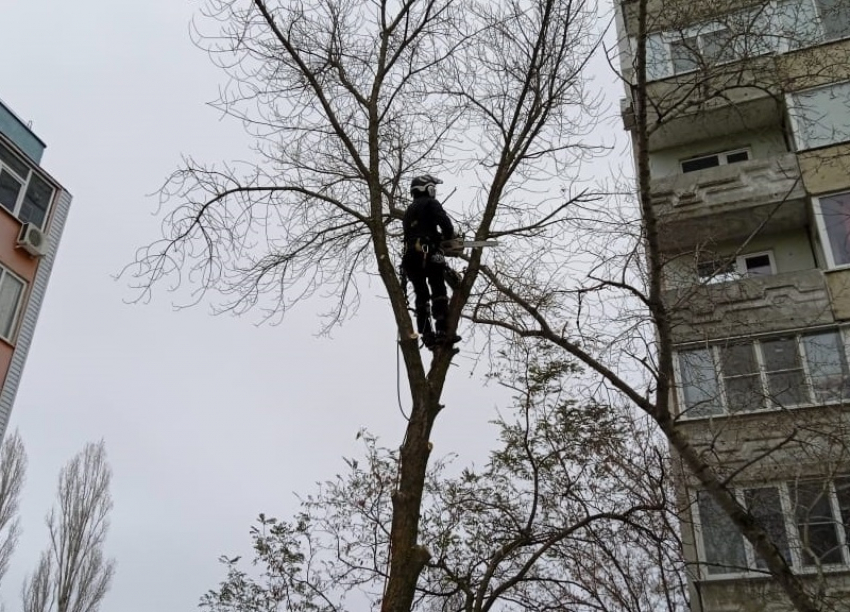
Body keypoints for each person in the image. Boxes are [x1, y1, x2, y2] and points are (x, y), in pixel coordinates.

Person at [401, 174, 461, 350]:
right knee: (438, 288)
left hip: (410, 258)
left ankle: (427, 335)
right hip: (429, 252)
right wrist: (449, 236)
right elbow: (445, 223)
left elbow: (417, 231)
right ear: (427, 188)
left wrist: (436, 237)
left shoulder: (409, 211)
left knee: (421, 295)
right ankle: (442, 331)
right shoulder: (431, 203)